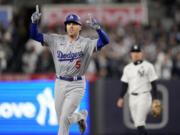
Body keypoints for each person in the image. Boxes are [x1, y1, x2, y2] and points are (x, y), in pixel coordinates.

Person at [30, 5, 109, 135]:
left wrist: (99, 29)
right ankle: (80, 116)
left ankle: (78, 117)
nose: (71, 26)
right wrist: (34, 23)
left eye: (74, 24)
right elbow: (34, 36)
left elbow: (104, 41)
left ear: (80, 27)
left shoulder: (86, 43)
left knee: (64, 120)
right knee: (61, 120)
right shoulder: (56, 40)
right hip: (60, 83)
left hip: (76, 84)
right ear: (65, 27)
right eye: (68, 24)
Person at [117, 45, 160, 135]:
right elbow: (125, 85)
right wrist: (121, 97)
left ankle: (149, 109)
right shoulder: (127, 68)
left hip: (144, 96)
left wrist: (156, 98)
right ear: (131, 54)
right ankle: (150, 111)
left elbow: (154, 83)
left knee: (140, 122)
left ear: (141, 54)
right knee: (138, 124)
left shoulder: (148, 66)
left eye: (138, 52)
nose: (135, 54)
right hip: (132, 98)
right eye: (134, 52)